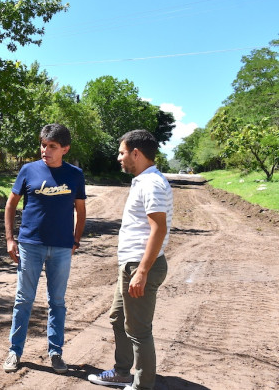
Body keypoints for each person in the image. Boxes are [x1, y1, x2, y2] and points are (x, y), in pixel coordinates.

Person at [88, 130, 173, 390]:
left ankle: (142, 385)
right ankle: (123, 372)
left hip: (140, 266)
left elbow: (159, 228)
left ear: (136, 153)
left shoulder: (151, 183)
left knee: (139, 330)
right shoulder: (143, 180)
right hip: (131, 265)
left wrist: (142, 271)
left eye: (122, 152)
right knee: (117, 317)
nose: (118, 158)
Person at [3, 123, 86, 374]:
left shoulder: (75, 175)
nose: (45, 150)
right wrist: (10, 239)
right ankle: (14, 352)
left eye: (52, 146)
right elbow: (10, 205)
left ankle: (56, 352)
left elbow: (81, 213)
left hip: (61, 248)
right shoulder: (28, 170)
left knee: (57, 302)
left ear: (65, 149)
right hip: (30, 245)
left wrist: (75, 241)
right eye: (43, 145)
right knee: (23, 300)